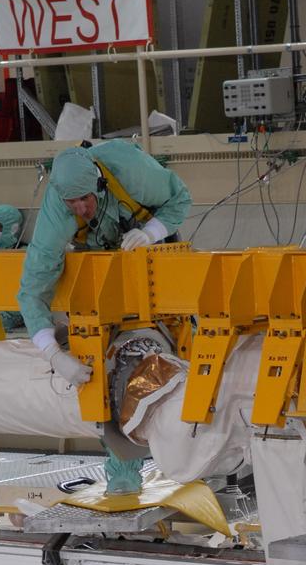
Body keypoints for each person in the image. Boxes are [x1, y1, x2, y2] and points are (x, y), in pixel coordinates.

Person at [17, 139, 191, 388]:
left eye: (85, 198)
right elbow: (32, 290)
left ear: (98, 184)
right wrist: (54, 356)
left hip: (150, 246)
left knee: (174, 319)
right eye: (71, 202)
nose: (81, 209)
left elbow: (181, 198)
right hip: (97, 255)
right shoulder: (56, 213)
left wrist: (150, 233)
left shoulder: (132, 170)